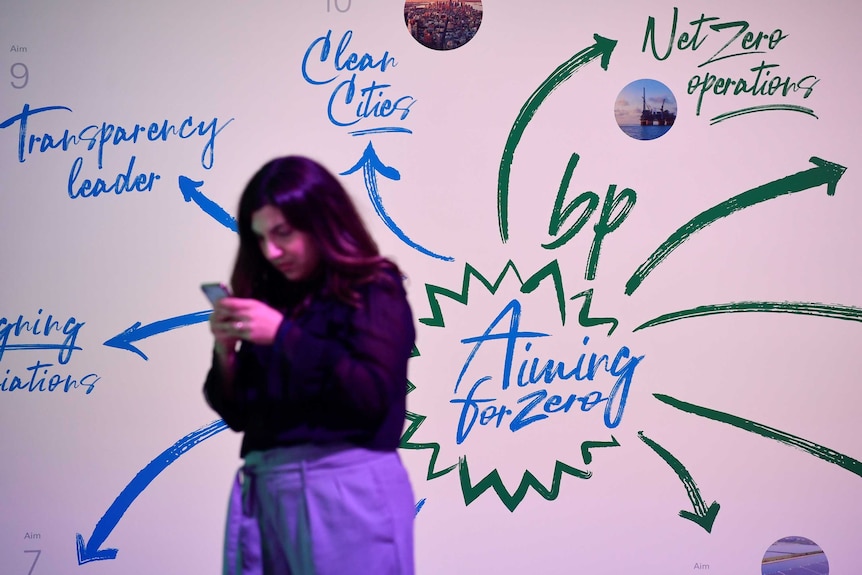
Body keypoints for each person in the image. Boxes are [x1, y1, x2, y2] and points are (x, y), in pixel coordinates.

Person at [203, 155, 416, 575]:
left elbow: (371, 395)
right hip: (268, 489)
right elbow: (239, 414)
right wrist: (225, 351)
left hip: (346, 487)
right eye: (260, 237)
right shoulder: (272, 298)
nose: (272, 251)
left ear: (323, 221)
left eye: (283, 233)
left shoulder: (374, 288)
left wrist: (284, 336)